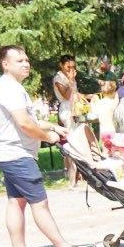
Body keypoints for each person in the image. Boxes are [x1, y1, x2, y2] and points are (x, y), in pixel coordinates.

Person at [0, 46, 85, 247]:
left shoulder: (11, 87)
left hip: (9, 153)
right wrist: (46, 137)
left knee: (16, 201)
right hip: (17, 155)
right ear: (5, 64)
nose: (26, 64)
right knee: (39, 203)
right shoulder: (9, 88)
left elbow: (26, 119)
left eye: (27, 60)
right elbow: (24, 124)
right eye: (19, 60)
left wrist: (54, 127)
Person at [52, 54, 80, 186]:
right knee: (71, 143)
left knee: (78, 141)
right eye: (68, 67)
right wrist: (70, 80)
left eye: (73, 67)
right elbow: (67, 96)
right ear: (61, 65)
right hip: (67, 110)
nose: (71, 70)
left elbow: (75, 94)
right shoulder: (59, 79)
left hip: (76, 109)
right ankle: (71, 178)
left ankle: (79, 174)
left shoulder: (71, 78)